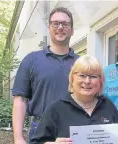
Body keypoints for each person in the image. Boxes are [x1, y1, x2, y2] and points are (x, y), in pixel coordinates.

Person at [12, 7, 79, 144]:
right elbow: (20, 100)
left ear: (72, 30)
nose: (60, 27)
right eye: (55, 23)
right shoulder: (31, 60)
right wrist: (18, 138)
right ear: (49, 28)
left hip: (73, 129)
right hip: (40, 129)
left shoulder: (80, 63)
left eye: (65, 24)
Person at [30, 55, 118, 143]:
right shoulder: (56, 109)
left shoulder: (108, 106)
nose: (87, 81)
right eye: (82, 75)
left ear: (100, 81)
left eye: (93, 76)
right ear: (72, 78)